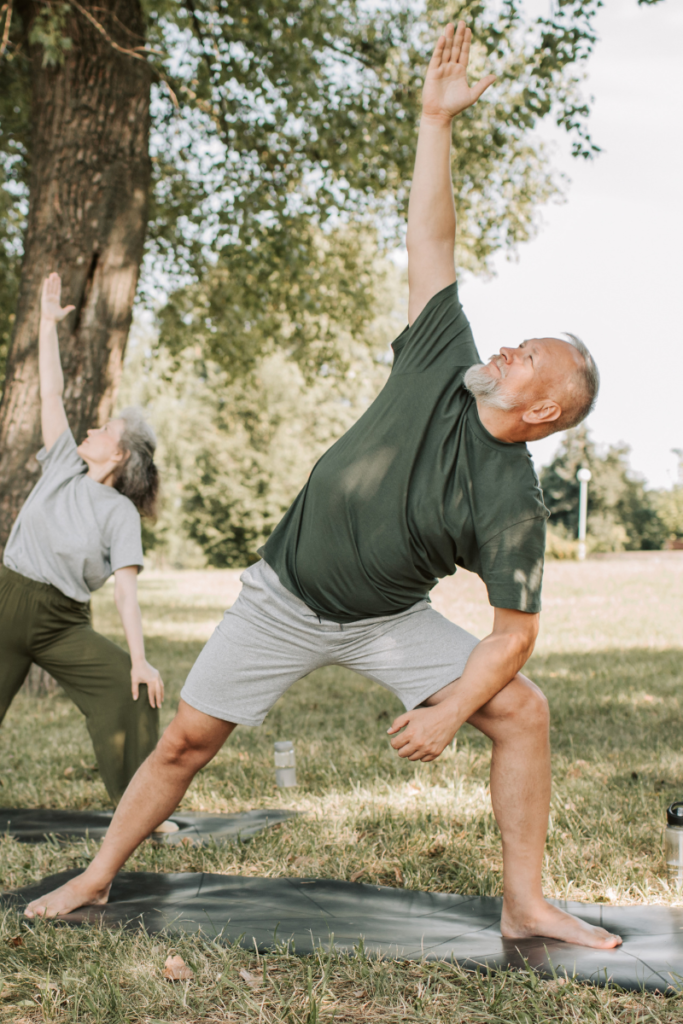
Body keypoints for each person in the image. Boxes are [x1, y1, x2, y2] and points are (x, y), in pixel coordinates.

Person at [25, 24, 619, 949]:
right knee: (185, 743)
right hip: (282, 595)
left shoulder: (511, 498)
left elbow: (515, 635)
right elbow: (431, 231)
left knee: (522, 711)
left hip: (383, 619)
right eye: (517, 338)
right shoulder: (442, 357)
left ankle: (525, 903)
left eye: (529, 355)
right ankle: (98, 879)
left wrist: (452, 708)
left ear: (543, 410)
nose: (508, 346)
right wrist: (434, 120)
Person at [0, 272, 163, 806]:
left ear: (118, 456)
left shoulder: (120, 514)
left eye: (104, 430)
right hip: (7, 600)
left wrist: (139, 659)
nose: (92, 430)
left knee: (131, 691)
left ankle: (141, 810)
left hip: (60, 623)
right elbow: (51, 391)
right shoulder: (63, 466)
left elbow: (124, 591)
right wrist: (46, 326)